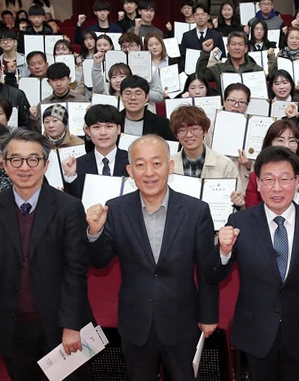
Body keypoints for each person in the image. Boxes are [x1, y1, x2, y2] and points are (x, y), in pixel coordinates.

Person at [0, 128, 94, 381]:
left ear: (45, 164)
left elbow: (76, 272)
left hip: (59, 326)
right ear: (6, 164)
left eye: (33, 159)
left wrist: (71, 326)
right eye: (16, 159)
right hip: (11, 328)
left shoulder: (69, 208)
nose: (24, 167)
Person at [85, 134, 218, 380]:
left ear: (170, 166)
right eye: (140, 164)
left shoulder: (196, 211)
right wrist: (94, 232)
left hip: (182, 321)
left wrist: (208, 315)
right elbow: (100, 261)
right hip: (135, 323)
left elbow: (207, 269)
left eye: (157, 163)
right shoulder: (115, 209)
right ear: (129, 170)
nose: (149, 172)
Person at [206, 145, 299, 381]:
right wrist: (223, 251)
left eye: (284, 179)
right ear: (257, 183)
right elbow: (213, 275)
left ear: (297, 181)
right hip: (256, 333)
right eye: (269, 179)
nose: (277, 188)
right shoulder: (240, 221)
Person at [245, 119, 299, 207]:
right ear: (269, 143)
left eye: (292, 141)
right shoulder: (256, 176)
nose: (286, 146)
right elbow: (252, 213)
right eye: (280, 140)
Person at [62, 104, 128, 199]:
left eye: (109, 126)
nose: (103, 132)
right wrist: (70, 176)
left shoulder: (132, 161)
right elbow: (73, 203)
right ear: (88, 131)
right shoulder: (77, 165)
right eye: (96, 127)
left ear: (118, 129)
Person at [196, 31, 264, 90]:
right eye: (233, 44)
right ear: (228, 47)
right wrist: (205, 52)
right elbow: (200, 76)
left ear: (246, 48)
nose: (237, 48)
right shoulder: (219, 69)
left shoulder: (256, 69)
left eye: (240, 44)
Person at [119, 75, 176, 140]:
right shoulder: (113, 122)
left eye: (138, 94)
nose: (133, 98)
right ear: (121, 97)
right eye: (128, 93)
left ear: (146, 97)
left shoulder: (163, 124)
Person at [180, 3, 226, 70]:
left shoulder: (216, 35)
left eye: (203, 14)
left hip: (210, 73)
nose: (200, 17)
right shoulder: (187, 36)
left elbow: (222, 56)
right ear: (193, 17)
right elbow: (182, 57)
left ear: (208, 17)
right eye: (197, 15)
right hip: (191, 72)